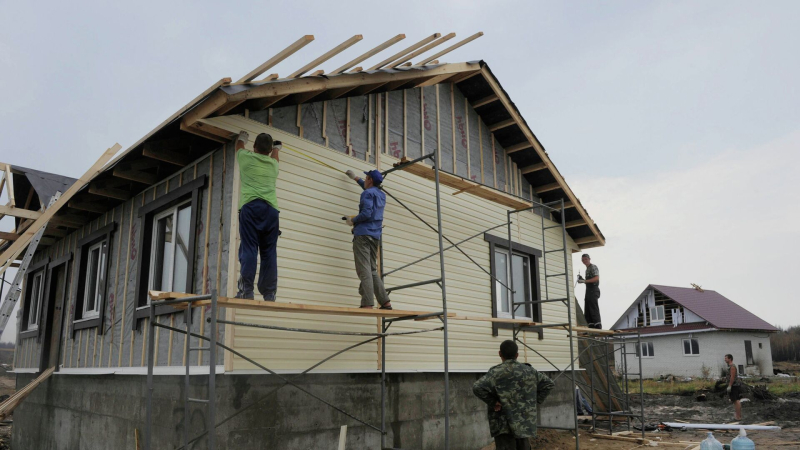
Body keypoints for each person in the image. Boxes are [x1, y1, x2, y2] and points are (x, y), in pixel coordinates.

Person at [472, 340, 555, 450]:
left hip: (503, 424)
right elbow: (549, 384)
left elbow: (477, 387)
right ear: (517, 355)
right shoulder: (529, 371)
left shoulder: (496, 372)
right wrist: (534, 402)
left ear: (500, 354)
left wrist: (493, 402)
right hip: (524, 422)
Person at [234, 131, 280, 301]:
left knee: (249, 248)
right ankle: (269, 294)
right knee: (269, 252)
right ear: (269, 151)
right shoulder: (273, 164)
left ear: (254, 147)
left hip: (251, 208)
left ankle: (247, 291)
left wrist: (241, 138)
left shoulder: (246, 158)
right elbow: (275, 156)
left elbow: (238, 146)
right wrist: (276, 148)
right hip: (271, 211)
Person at [345, 169, 392, 309]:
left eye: (366, 178)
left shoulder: (367, 193)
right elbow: (369, 190)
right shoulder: (381, 195)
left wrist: (353, 220)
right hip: (375, 236)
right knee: (372, 269)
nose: (364, 180)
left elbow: (366, 213)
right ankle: (385, 302)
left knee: (364, 270)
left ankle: (367, 303)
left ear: (370, 180)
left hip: (363, 236)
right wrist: (356, 178)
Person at [577, 253, 601, 329]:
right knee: (587, 308)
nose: (584, 261)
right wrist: (583, 280)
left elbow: (596, 278)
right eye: (583, 260)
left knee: (593, 308)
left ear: (589, 259)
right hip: (588, 290)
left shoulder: (593, 267)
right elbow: (588, 281)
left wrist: (584, 281)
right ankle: (590, 326)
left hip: (594, 290)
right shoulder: (587, 269)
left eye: (586, 259)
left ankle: (597, 326)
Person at [725, 354, 743, 421]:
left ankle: (738, 416)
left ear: (730, 359)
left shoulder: (732, 366)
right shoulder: (729, 366)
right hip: (733, 385)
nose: (725, 359)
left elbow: (732, 377)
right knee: (734, 400)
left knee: (736, 400)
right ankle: (737, 415)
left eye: (726, 358)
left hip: (734, 386)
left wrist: (730, 385)